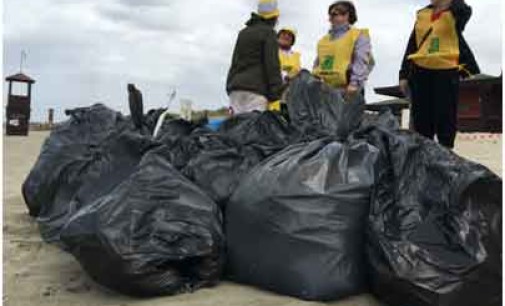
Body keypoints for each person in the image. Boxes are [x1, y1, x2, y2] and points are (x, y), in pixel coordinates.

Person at [399, 0, 480, 149]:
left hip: (446, 69)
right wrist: (403, 75)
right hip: (420, 69)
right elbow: (412, 45)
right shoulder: (422, 14)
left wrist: (447, 4)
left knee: (446, 115)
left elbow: (464, 12)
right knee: (421, 117)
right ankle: (424, 153)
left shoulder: (457, 12)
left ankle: (446, 153)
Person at [226, 0, 283, 115]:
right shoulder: (269, 33)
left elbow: (235, 61)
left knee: (235, 129)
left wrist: (230, 85)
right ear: (274, 17)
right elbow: (272, 64)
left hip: (235, 89)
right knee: (253, 130)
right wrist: (276, 92)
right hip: (256, 92)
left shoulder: (243, 33)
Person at [313, 1, 374, 99]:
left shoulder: (358, 35)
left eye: (334, 14)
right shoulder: (323, 40)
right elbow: (318, 64)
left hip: (348, 90)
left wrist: (354, 83)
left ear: (346, 15)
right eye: (330, 15)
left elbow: (361, 60)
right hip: (325, 91)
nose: (330, 18)